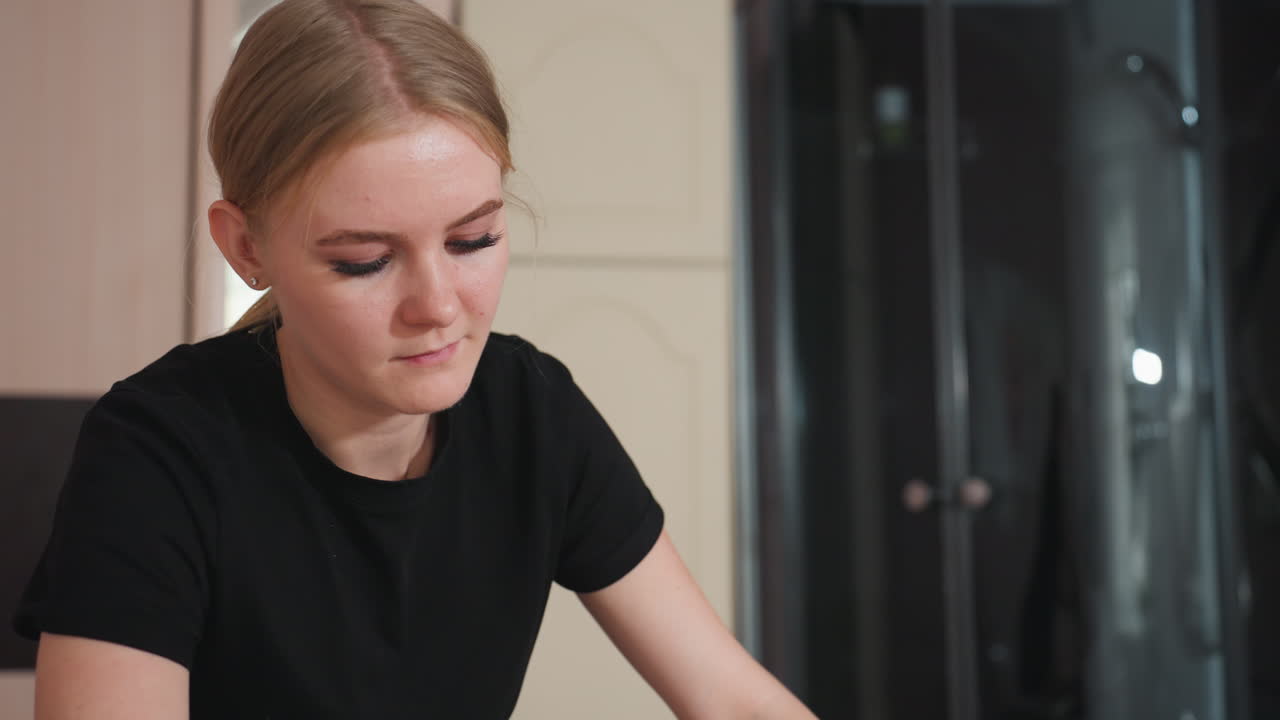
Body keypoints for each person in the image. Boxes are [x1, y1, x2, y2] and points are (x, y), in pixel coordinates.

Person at [11, 0, 815, 718]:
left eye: (473, 240)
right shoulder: (159, 451)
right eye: (364, 260)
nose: (438, 305)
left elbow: (730, 697)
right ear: (247, 245)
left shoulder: (531, 411)